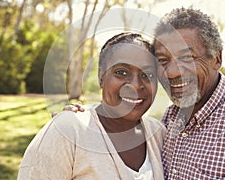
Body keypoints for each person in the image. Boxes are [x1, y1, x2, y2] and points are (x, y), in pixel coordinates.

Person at [65, 8, 225, 179]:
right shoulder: (168, 123)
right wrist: (83, 117)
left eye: (187, 58)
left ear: (217, 58)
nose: (172, 72)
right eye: (163, 61)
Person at [17, 32, 166, 180]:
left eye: (148, 74)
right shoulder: (67, 132)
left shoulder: (159, 134)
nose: (135, 85)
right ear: (101, 77)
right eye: (121, 72)